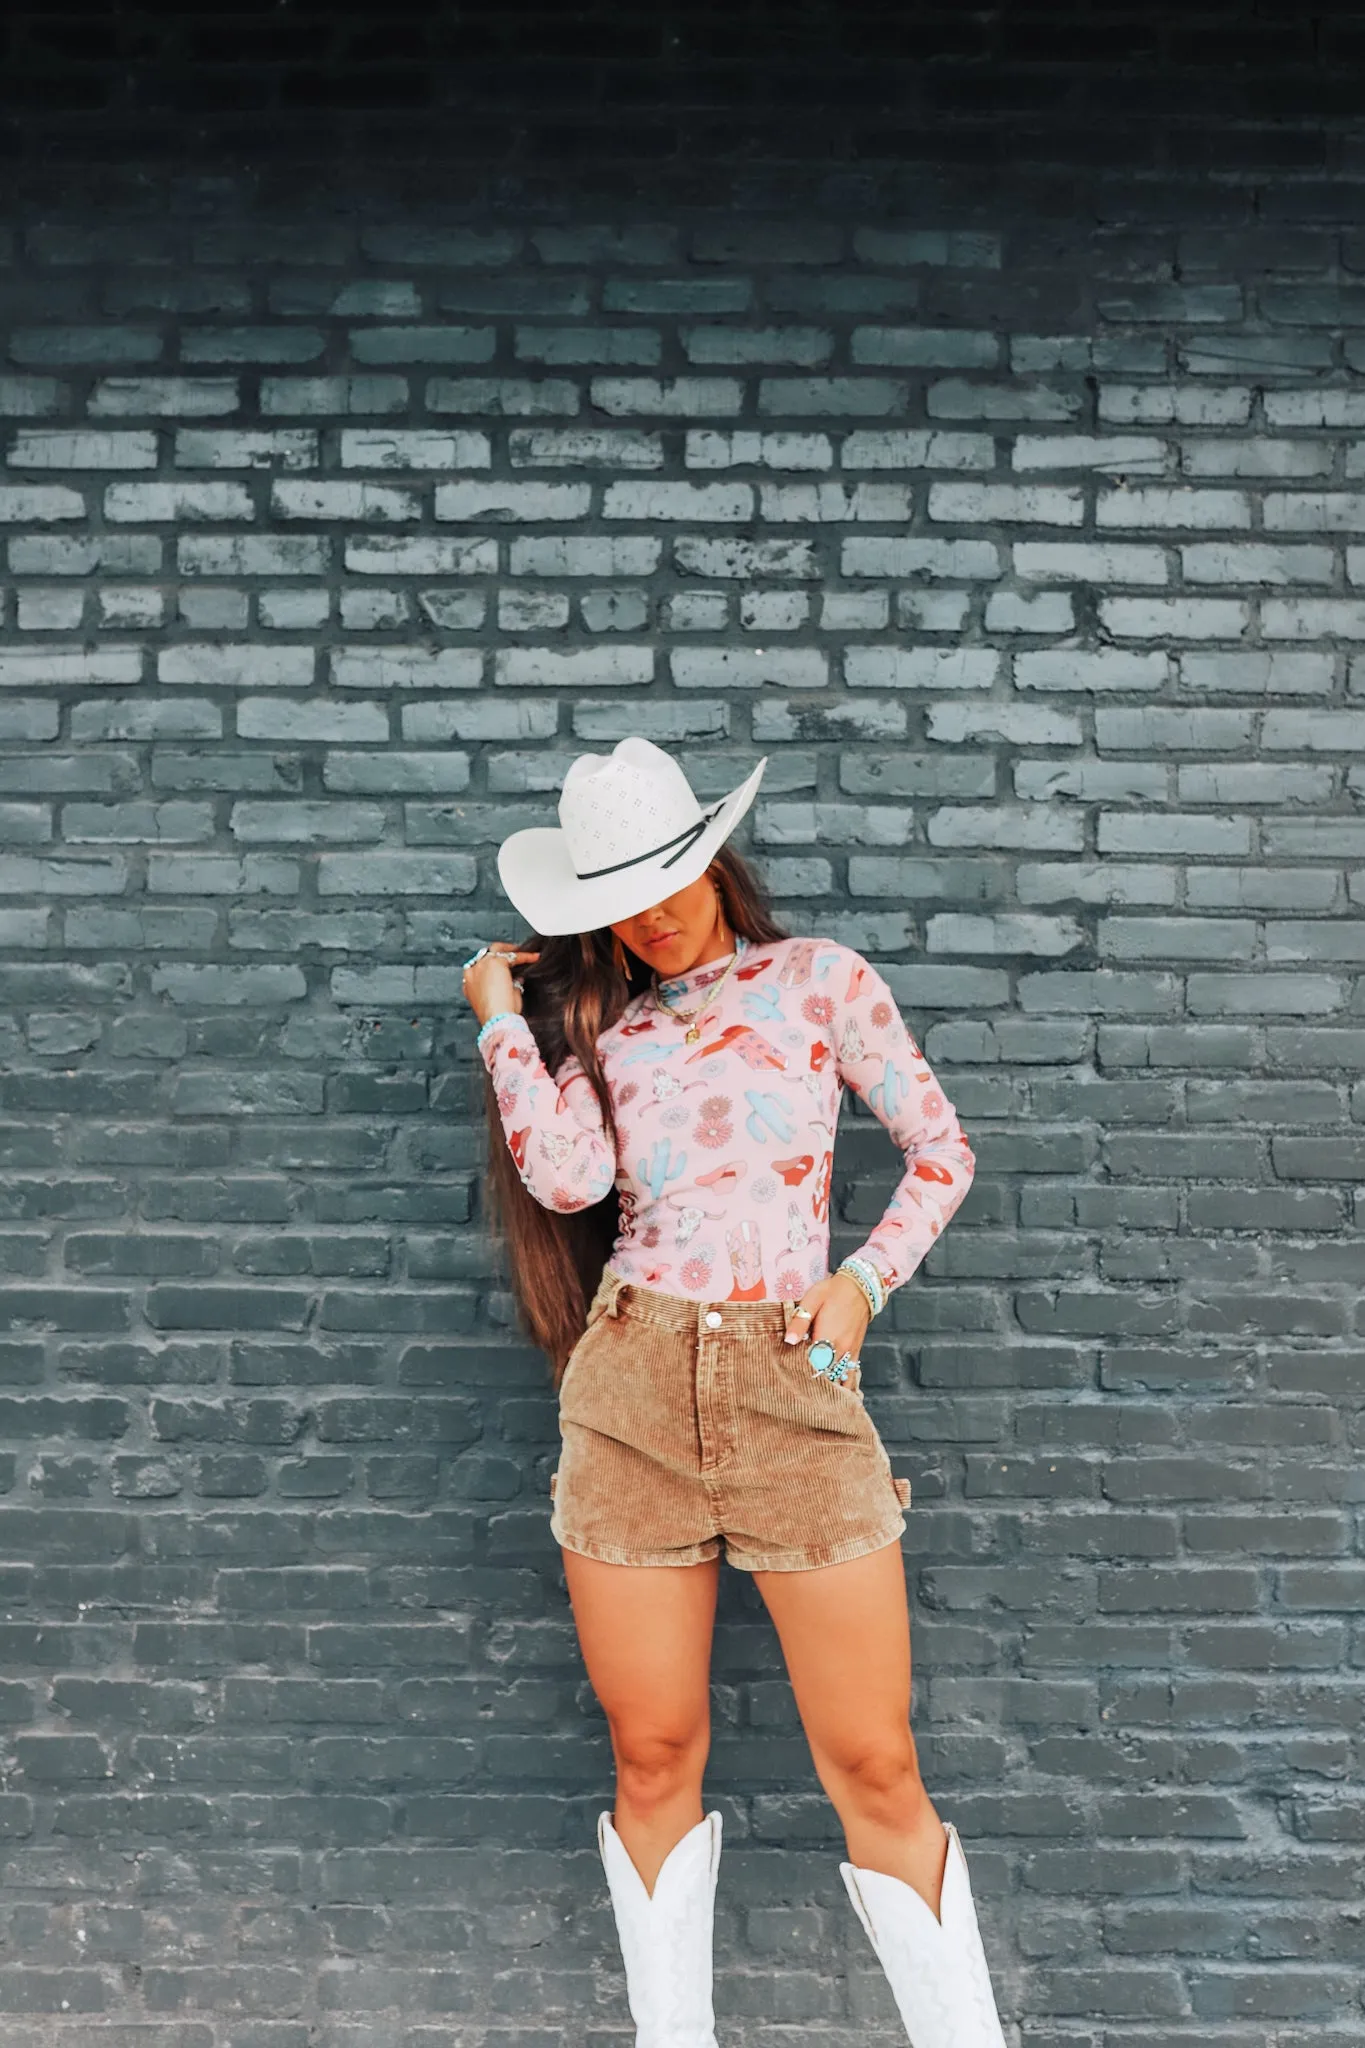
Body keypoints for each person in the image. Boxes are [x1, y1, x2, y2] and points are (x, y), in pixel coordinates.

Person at [461, 737, 1008, 2047]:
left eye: (667, 880)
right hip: (634, 1389)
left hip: (792, 1384)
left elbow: (940, 1148)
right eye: (616, 902)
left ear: (714, 859)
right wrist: (500, 1017)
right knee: (650, 1757)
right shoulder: (608, 1032)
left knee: (875, 1764)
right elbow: (569, 1188)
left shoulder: (819, 983)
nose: (647, 918)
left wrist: (862, 1286)